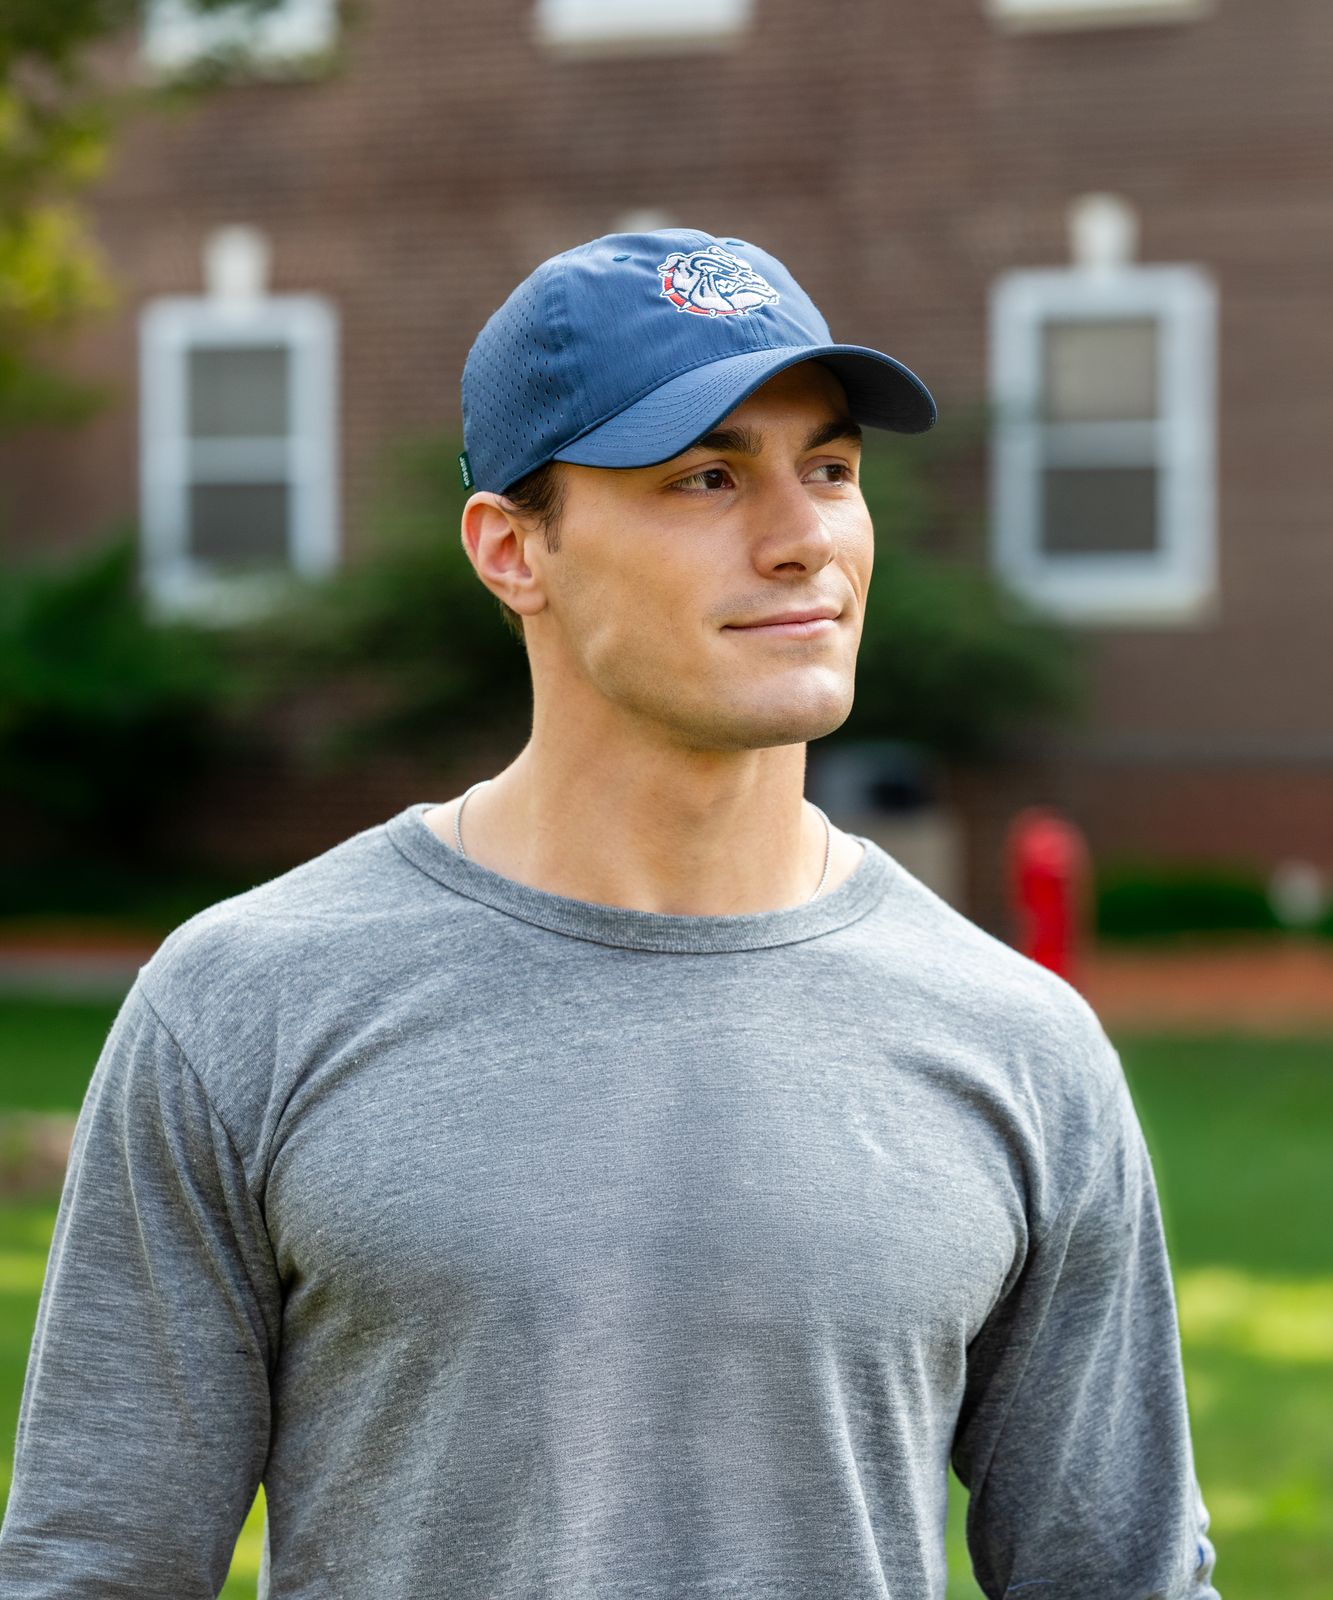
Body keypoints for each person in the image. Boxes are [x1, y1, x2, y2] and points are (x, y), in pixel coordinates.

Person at [0, 227, 1220, 1599]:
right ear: (511, 549)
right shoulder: (244, 1006)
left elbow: (1124, 1575)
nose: (803, 539)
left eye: (828, 469)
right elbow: (93, 1570)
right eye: (707, 477)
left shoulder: (1019, 1045)